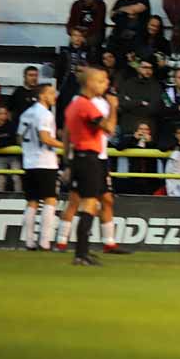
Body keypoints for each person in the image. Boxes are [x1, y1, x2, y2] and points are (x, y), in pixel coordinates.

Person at [61, 67, 119, 265]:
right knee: (89, 204)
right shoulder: (87, 105)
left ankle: (81, 252)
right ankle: (81, 253)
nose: (106, 84)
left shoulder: (73, 105)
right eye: (101, 81)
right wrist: (113, 107)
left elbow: (67, 134)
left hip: (78, 156)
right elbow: (109, 128)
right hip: (90, 158)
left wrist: (66, 161)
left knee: (87, 202)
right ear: (90, 83)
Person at [18, 84, 65, 251]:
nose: (54, 96)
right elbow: (45, 138)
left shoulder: (27, 113)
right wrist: (65, 145)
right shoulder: (45, 114)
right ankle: (45, 241)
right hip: (45, 162)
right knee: (50, 199)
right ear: (42, 95)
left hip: (29, 162)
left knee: (32, 201)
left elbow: (19, 137)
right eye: (51, 93)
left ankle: (29, 241)